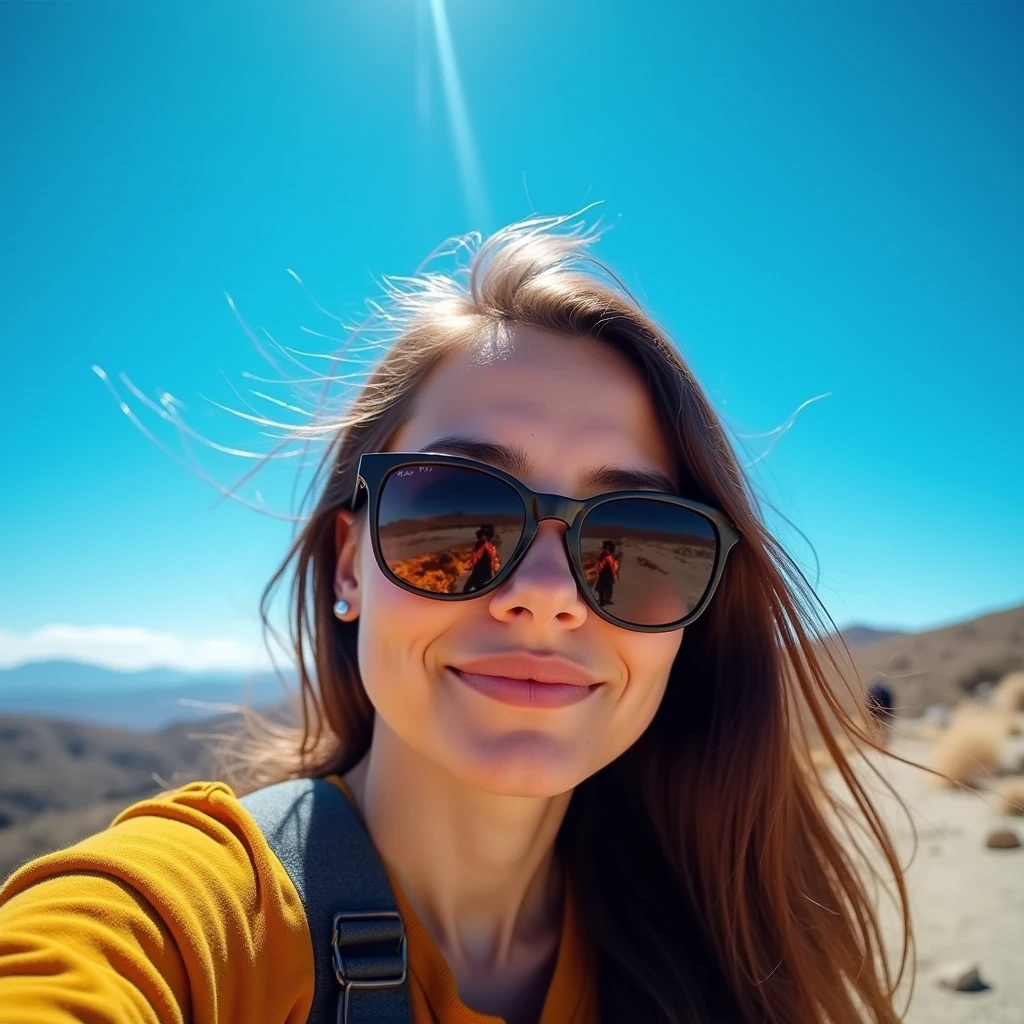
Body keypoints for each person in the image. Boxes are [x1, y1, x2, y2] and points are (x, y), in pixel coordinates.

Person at [0, 216, 909, 1023]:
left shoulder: (719, 942)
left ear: (689, 625)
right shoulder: (182, 922)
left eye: (640, 543)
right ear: (350, 565)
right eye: (460, 513)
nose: (548, 590)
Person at [463, 524, 501, 593]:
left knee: (468, 590)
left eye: (483, 535)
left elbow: (476, 560)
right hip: (486, 577)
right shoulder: (490, 547)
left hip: (481, 577)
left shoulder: (484, 547)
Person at [593, 540, 619, 606]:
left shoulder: (609, 556)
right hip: (604, 575)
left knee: (609, 588)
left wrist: (615, 572)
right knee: (601, 588)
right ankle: (601, 601)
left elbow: (613, 565)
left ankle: (606, 600)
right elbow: (599, 565)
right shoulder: (604, 556)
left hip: (609, 575)